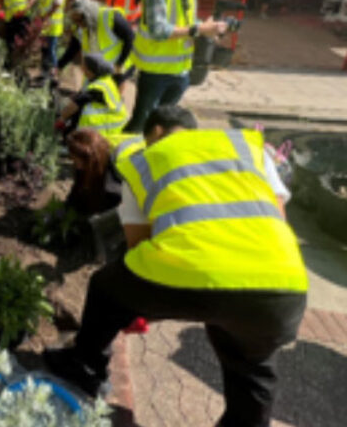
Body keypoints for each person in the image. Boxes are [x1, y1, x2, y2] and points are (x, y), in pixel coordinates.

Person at [45, 105, 308, 427]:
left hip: (189, 273)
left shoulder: (144, 160)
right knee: (253, 370)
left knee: (104, 287)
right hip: (283, 285)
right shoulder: (248, 146)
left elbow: (138, 248)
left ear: (155, 132)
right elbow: (278, 216)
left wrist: (140, 308)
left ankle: (85, 366)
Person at [124, 0, 232, 133]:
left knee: (162, 126)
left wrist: (206, 28)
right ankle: (123, 157)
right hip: (155, 72)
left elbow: (184, 22)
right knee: (141, 123)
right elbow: (158, 30)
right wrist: (198, 29)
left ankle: (150, 158)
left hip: (180, 71)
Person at [57, 0, 135, 93]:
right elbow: (73, 49)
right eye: (75, 20)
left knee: (111, 95)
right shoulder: (80, 28)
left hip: (121, 63)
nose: (78, 24)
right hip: (99, 67)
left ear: (88, 13)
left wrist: (119, 64)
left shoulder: (109, 17)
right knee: (87, 94)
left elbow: (130, 37)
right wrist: (59, 66)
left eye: (80, 19)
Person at [64, 128, 144, 216]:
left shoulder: (113, 182)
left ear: (90, 160)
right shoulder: (100, 145)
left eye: (76, 160)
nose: (73, 163)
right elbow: (78, 188)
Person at [54, 53, 128, 137]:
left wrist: (60, 120)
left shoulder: (98, 87)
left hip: (108, 131)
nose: (81, 68)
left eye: (84, 66)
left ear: (90, 71)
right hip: (114, 124)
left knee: (82, 109)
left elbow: (74, 106)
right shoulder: (104, 80)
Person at [37, 0, 68, 79]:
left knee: (51, 50)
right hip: (44, 25)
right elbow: (42, 5)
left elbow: (55, 6)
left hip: (54, 26)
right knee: (44, 49)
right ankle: (44, 71)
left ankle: (53, 73)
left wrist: (45, 17)